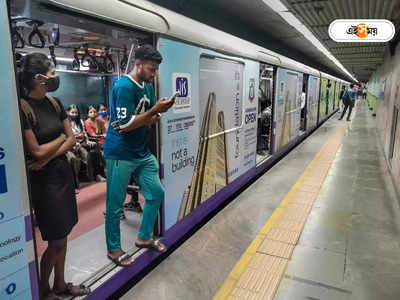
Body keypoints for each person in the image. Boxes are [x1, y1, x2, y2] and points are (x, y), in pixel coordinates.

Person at [19, 53, 90, 299]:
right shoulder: (23, 108)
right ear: (39, 78)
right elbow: (35, 150)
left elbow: (70, 140)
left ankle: (60, 284)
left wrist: (49, 154)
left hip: (62, 177)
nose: (55, 77)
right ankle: (43, 288)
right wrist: (61, 140)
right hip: (44, 185)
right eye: (51, 73)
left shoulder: (56, 103)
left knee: (64, 234)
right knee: (55, 241)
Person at [103, 45, 174, 266]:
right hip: (120, 153)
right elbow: (125, 125)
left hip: (141, 152)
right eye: (151, 69)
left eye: (155, 70)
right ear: (139, 64)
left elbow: (149, 120)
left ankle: (144, 237)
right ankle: (114, 249)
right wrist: (152, 113)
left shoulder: (148, 86)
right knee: (115, 205)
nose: (154, 74)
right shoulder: (124, 87)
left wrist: (152, 114)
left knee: (156, 193)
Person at [66, 105, 106, 185]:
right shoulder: (69, 123)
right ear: (68, 113)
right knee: (87, 152)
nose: (74, 114)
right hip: (75, 143)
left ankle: (99, 174)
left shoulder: (94, 121)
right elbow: (70, 135)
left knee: (95, 146)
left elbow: (85, 133)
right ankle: (90, 176)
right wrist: (77, 138)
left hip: (84, 141)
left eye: (76, 112)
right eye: (72, 112)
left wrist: (87, 140)